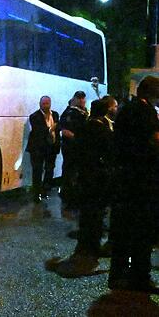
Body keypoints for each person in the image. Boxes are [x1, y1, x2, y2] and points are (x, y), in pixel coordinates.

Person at [45, 96, 117, 278]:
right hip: (97, 179)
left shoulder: (86, 128)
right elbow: (109, 152)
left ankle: (86, 246)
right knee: (95, 214)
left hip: (86, 177)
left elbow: (77, 150)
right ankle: (90, 248)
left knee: (88, 214)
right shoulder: (101, 129)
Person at [107, 76, 159, 292]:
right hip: (141, 183)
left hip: (125, 181)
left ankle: (119, 274)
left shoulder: (127, 110)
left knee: (123, 230)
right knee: (141, 231)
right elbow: (153, 142)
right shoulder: (144, 112)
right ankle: (139, 276)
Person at [26, 96, 61, 202]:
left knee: (50, 169)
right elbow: (38, 130)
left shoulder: (55, 114)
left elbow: (58, 127)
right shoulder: (34, 116)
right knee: (37, 170)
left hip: (51, 147)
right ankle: (36, 194)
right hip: (38, 148)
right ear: (40, 104)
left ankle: (45, 191)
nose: (45, 106)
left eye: (47, 103)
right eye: (43, 104)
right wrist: (51, 129)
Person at [59, 91, 89, 207]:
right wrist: (78, 139)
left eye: (83, 99)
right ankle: (69, 196)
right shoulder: (70, 113)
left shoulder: (82, 112)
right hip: (71, 147)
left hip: (78, 147)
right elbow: (65, 131)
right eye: (80, 99)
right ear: (75, 99)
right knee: (70, 171)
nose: (83, 101)